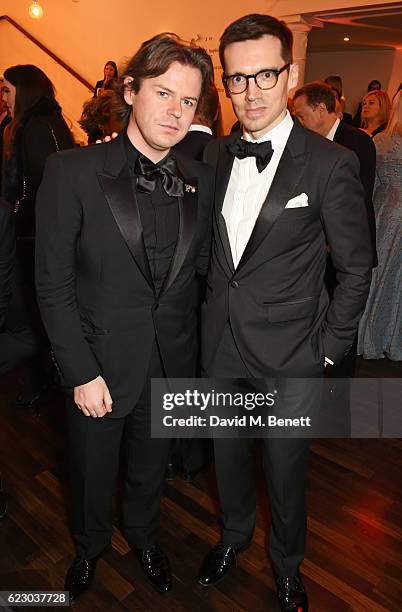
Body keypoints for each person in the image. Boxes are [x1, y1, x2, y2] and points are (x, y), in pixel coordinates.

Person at [196, 14, 373, 612]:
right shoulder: (215, 156)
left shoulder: (330, 164)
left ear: (290, 74)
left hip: (292, 356)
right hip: (219, 345)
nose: (250, 92)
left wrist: (325, 349)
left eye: (264, 75)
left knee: (285, 473)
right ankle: (233, 536)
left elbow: (356, 270)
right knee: (227, 459)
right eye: (237, 79)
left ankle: (287, 566)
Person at [35, 33, 213, 603]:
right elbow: (52, 283)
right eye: (163, 93)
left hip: (170, 364)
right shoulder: (71, 171)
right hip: (99, 364)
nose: (175, 111)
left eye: (188, 101)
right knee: (90, 472)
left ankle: (144, 537)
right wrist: (79, 371)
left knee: (150, 471)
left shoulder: (200, 178)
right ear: (131, 90)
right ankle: (88, 548)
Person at [0, 65, 75, 404]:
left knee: (32, 316)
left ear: (24, 91)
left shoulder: (31, 127)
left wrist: (12, 223)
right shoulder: (53, 120)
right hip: (48, 232)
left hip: (35, 236)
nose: (3, 96)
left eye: (7, 90)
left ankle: (45, 381)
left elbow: (33, 189)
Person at [358, 90, 402, 361]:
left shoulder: (382, 141)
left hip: (386, 212)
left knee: (383, 276)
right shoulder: (381, 140)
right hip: (389, 213)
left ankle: (373, 336)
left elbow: (369, 186)